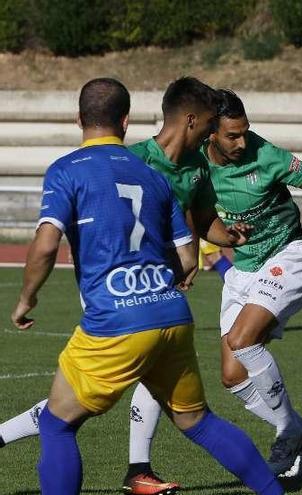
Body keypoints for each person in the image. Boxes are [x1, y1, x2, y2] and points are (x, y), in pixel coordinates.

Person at [9, 78, 284, 495]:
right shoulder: (152, 176)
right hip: (171, 312)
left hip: (115, 320)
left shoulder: (67, 169)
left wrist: (26, 299)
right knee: (199, 421)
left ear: (79, 118)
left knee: (56, 423)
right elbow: (190, 256)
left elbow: (46, 245)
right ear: (125, 120)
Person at [123, 88, 302, 478]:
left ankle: (287, 434)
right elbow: (201, 222)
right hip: (244, 271)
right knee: (232, 376)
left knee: (243, 339)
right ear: (210, 134)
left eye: (245, 132)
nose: (242, 142)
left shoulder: (266, 155)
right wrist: (225, 237)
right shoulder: (197, 164)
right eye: (232, 135)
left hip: (289, 257)